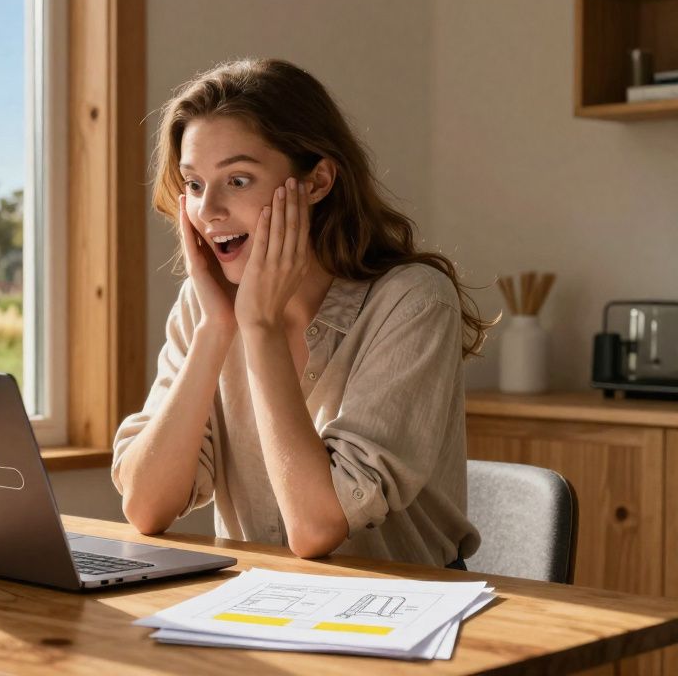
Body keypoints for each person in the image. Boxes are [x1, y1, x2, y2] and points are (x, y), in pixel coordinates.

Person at [111, 58, 495, 568]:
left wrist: (261, 329)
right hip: (261, 605)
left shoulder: (413, 302)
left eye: (239, 180)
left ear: (316, 182)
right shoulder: (204, 308)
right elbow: (145, 507)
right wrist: (216, 330)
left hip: (405, 610)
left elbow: (317, 530)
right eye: (195, 184)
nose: (208, 211)